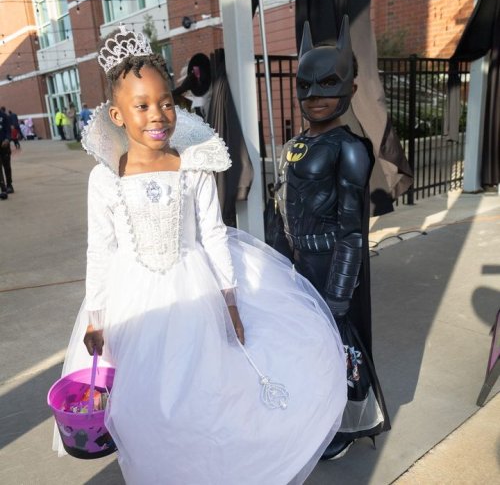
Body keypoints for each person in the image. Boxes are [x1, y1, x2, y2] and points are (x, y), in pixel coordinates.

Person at [53, 27, 348, 484]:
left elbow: (213, 233)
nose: (158, 115)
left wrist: (230, 300)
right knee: (143, 397)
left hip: (195, 289)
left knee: (199, 390)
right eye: (142, 105)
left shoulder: (193, 166)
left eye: (166, 101)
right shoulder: (105, 179)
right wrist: (95, 316)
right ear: (117, 114)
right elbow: (101, 249)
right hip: (134, 300)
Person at [272, 17, 390, 460]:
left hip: (330, 266)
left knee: (339, 347)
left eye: (327, 84)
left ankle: (346, 424)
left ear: (350, 88)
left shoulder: (351, 147)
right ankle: (312, 414)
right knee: (302, 347)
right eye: (305, 85)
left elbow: (352, 229)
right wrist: (276, 263)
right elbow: (281, 207)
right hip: (297, 266)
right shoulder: (294, 144)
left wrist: (340, 294)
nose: (314, 96)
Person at [0, 106, 13, 197]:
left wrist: (7, 139)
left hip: (4, 145)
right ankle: (3, 188)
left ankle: (9, 185)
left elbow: (8, 130)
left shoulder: (4, 116)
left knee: (7, 166)